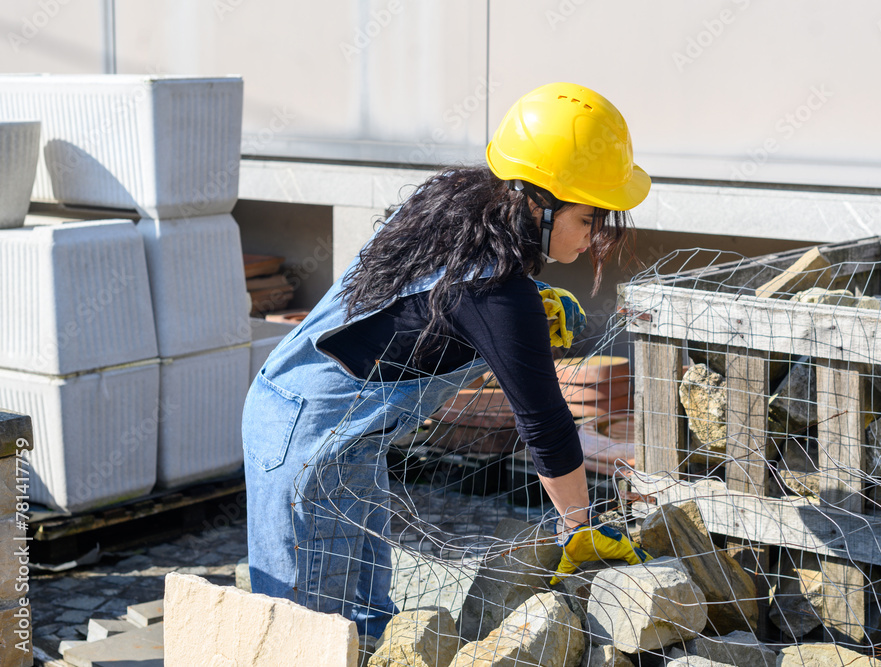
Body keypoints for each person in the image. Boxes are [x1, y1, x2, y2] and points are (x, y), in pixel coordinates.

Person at [241, 81, 652, 638]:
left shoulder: (461, 205)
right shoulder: (497, 291)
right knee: (306, 632)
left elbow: (418, 302)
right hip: (307, 437)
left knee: (366, 619)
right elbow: (544, 422)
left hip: (332, 421)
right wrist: (577, 526)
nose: (595, 238)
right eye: (588, 220)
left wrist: (518, 314)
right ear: (541, 203)